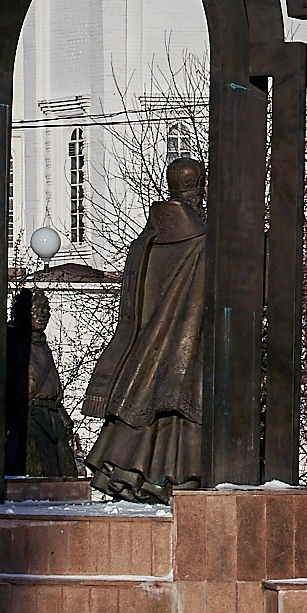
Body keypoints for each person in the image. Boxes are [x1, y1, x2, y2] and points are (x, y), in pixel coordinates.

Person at [82, 157, 209, 501]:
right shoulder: (202, 242)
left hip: (143, 350)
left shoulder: (146, 241)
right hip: (186, 347)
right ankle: (173, 481)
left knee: (145, 414)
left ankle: (132, 477)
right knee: (179, 415)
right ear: (200, 189)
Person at [23, 291, 81, 479]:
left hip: (52, 418)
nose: (42, 314)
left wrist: (64, 418)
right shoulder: (17, 345)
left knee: (66, 473)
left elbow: (53, 389)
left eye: (46, 310)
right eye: (35, 310)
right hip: (31, 419)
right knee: (39, 473)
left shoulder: (44, 346)